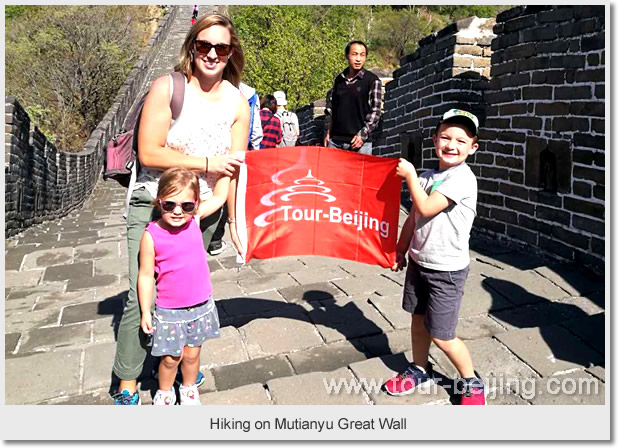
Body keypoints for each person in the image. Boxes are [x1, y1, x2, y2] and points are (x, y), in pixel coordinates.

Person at [112, 13, 249, 405]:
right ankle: (128, 380)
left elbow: (235, 166)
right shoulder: (168, 87)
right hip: (155, 202)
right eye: (203, 45)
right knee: (143, 293)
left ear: (230, 53)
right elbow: (149, 151)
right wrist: (207, 163)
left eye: (220, 47)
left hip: (201, 209)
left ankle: (177, 366)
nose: (211, 53)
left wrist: (225, 208)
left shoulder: (238, 103)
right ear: (192, 46)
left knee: (186, 292)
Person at [383, 109, 485, 405]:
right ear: (434, 139)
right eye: (445, 137)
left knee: (442, 334)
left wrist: (411, 177)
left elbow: (427, 207)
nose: (451, 145)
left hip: (447, 271)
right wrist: (401, 249)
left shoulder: (463, 179)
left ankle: (471, 381)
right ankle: (420, 367)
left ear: (472, 147)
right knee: (417, 321)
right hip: (418, 263)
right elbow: (414, 217)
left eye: (461, 140)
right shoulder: (428, 177)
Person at [139, 168, 224, 405]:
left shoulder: (194, 222)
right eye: (169, 205)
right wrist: (146, 311)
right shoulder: (152, 235)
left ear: (195, 205)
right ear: (159, 202)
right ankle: (165, 391)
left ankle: (188, 388)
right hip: (170, 312)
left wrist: (231, 167)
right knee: (170, 358)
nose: (178, 211)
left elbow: (219, 197)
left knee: (192, 354)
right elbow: (145, 275)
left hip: (200, 307)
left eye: (186, 206)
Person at [207, 82, 263, 256]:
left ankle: (212, 236)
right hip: (237, 151)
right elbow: (255, 129)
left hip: (209, 151)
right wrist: (255, 148)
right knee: (228, 191)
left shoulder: (203, 86)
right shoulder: (249, 94)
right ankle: (215, 239)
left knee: (215, 193)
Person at [323, 41, 382, 155]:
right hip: (336, 142)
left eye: (362, 55)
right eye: (355, 54)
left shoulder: (372, 80)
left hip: (360, 143)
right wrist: (328, 133)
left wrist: (362, 135)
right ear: (347, 56)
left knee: (360, 173)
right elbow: (332, 110)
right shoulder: (339, 80)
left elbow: (375, 111)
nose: (358, 59)